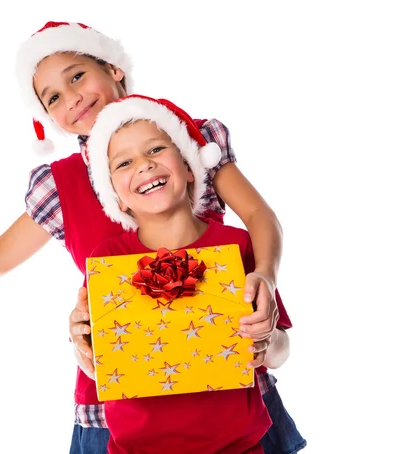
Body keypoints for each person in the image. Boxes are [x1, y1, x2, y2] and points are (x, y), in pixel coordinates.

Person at [0, 21, 304, 454]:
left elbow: (259, 216)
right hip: (123, 408)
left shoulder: (184, 139)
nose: (72, 98)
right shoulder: (61, 184)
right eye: (52, 97)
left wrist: (263, 276)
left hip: (224, 391)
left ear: (113, 68)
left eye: (77, 76)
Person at [80, 93, 293, 453]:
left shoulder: (237, 246)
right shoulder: (106, 259)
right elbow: (96, 366)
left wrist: (267, 340)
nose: (144, 166)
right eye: (124, 163)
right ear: (116, 196)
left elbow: (281, 351)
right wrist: (81, 343)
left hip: (237, 447)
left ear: (190, 166)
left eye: (156, 150)